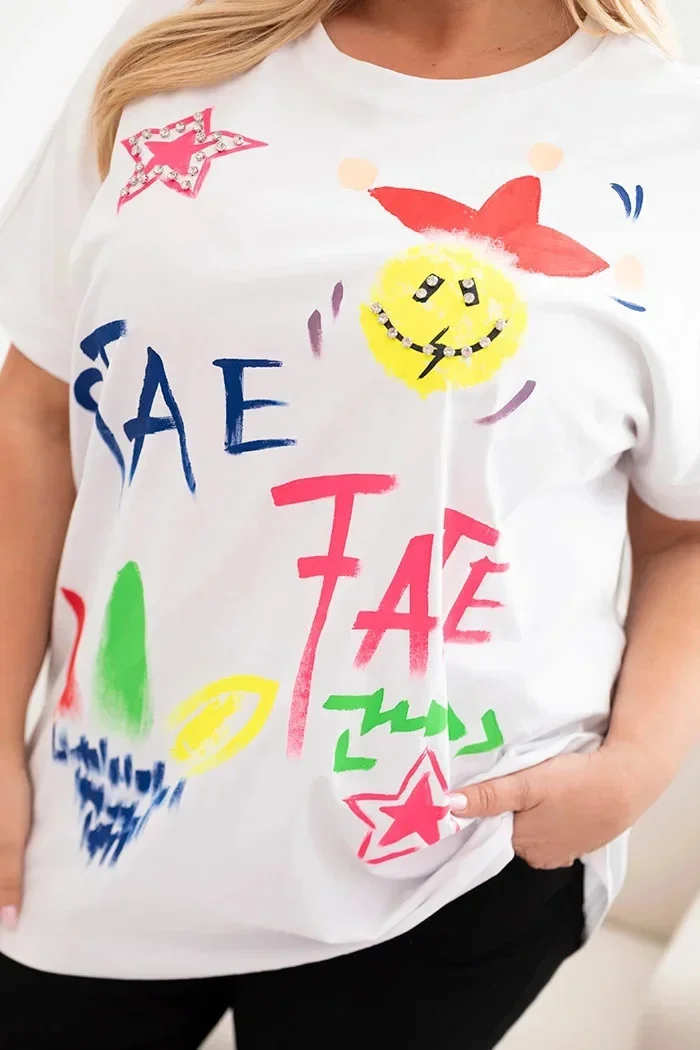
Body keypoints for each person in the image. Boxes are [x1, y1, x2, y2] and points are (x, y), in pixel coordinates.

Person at [1, 0, 699, 1046]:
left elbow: (686, 528)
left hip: (445, 864)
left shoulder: (673, 141)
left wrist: (634, 767)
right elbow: (33, 412)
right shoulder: (172, 54)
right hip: (102, 820)